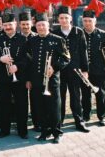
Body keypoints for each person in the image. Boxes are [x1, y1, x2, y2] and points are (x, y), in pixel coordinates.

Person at [23, 13, 70, 144]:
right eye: (38, 25)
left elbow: (66, 58)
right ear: (35, 27)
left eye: (43, 25)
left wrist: (54, 67)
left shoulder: (58, 39)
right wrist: (28, 79)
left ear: (48, 25)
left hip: (52, 80)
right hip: (36, 80)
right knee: (40, 107)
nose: (41, 27)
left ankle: (57, 133)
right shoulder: (31, 41)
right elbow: (27, 62)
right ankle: (44, 131)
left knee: (54, 107)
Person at [52, 6, 90, 133]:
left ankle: (79, 121)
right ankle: (59, 121)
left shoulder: (79, 32)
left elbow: (83, 52)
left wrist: (85, 70)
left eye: (66, 18)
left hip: (75, 70)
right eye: (61, 18)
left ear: (71, 19)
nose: (64, 20)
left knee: (75, 96)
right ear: (58, 19)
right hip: (59, 71)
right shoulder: (54, 33)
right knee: (59, 96)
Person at [0, 12, 28, 139]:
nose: (7, 27)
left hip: (19, 78)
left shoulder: (23, 39)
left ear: (15, 24)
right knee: (3, 104)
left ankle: (22, 130)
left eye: (10, 25)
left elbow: (27, 58)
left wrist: (17, 66)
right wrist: (1, 59)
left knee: (21, 104)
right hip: (3, 78)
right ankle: (4, 129)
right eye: (5, 25)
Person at [81, 9, 105, 127]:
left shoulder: (103, 34)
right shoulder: (80, 34)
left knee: (101, 95)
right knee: (85, 95)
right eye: (85, 21)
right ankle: (85, 116)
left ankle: (102, 116)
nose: (87, 23)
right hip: (84, 71)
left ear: (95, 21)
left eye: (90, 21)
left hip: (99, 70)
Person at [18, 11, 40, 132]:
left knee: (35, 100)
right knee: (21, 101)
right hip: (20, 74)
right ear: (19, 25)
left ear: (31, 23)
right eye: (23, 24)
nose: (25, 26)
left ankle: (37, 123)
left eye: (27, 24)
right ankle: (22, 124)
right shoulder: (16, 37)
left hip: (34, 74)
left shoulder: (37, 37)